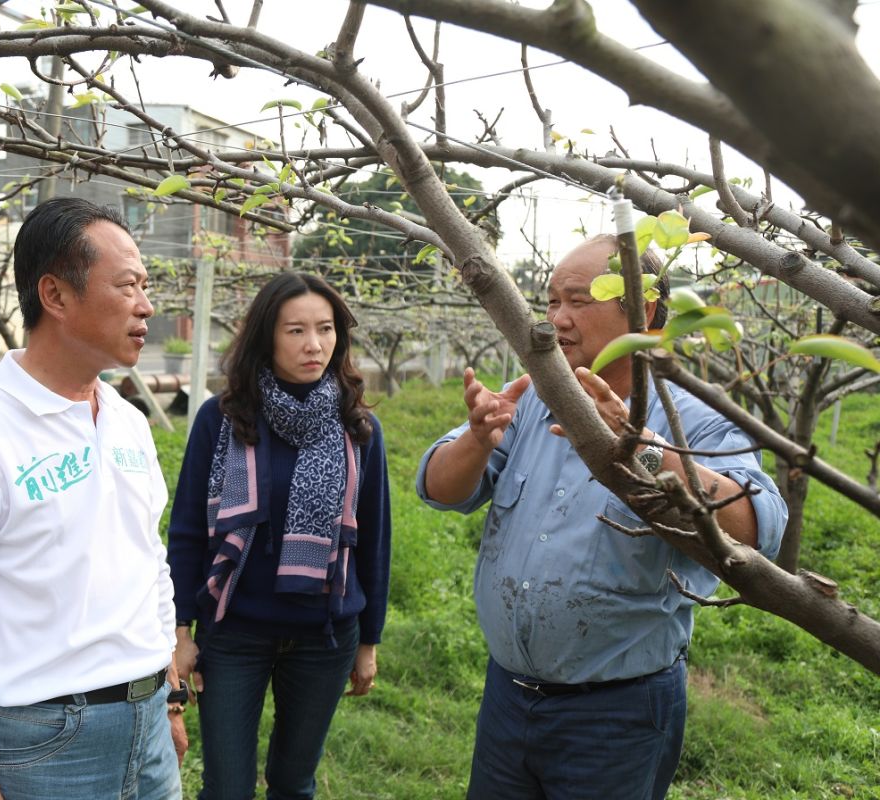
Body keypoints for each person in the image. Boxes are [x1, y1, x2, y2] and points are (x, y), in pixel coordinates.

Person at [416, 235, 788, 800]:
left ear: (649, 317)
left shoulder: (696, 421)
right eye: (549, 303)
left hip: (618, 713)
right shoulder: (536, 399)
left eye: (578, 301)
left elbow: (758, 526)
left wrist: (648, 452)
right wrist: (476, 437)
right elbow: (438, 488)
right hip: (509, 696)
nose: (556, 320)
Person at [0, 197, 186, 800]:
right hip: (49, 745)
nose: (146, 306)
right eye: (127, 285)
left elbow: (148, 564)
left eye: (145, 285)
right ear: (55, 296)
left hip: (149, 721)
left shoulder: (128, 422)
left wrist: (170, 695)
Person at [167, 272, 392, 800]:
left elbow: (376, 540)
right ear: (266, 335)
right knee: (226, 788)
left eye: (326, 329)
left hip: (325, 635)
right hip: (236, 632)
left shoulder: (357, 426)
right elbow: (186, 533)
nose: (314, 345)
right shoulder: (220, 419)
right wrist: (179, 631)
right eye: (295, 330)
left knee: (294, 784)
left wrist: (370, 641)